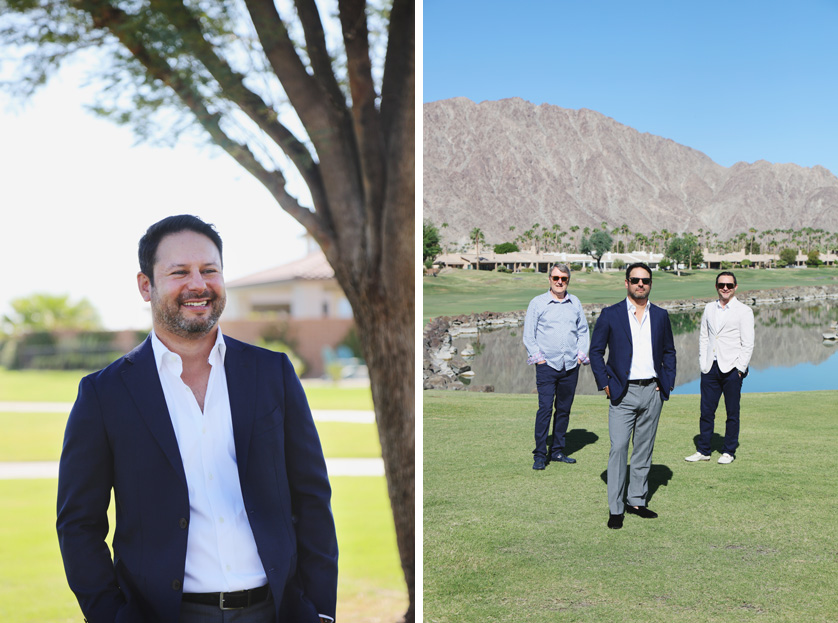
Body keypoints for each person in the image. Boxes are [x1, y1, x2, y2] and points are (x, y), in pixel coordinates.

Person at [57, 215, 338, 623]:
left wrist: (320, 612)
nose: (198, 285)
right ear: (145, 285)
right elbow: (78, 524)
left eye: (209, 270)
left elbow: (312, 499)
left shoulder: (272, 373)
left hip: (276, 611)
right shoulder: (104, 394)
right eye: (179, 272)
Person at [589, 263, 676, 530]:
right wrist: (604, 383)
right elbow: (595, 352)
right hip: (622, 393)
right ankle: (616, 509)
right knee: (618, 448)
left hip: (652, 390)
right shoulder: (611, 314)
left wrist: (666, 383)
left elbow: (669, 353)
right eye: (635, 279)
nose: (641, 284)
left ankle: (636, 501)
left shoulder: (660, 315)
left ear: (651, 284)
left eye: (645, 280)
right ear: (626, 282)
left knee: (643, 449)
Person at [523, 263, 590, 470]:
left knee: (563, 410)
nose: (560, 282)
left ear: (568, 280)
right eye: (556, 278)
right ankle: (540, 454)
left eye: (564, 278)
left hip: (570, 365)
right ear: (549, 279)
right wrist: (539, 359)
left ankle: (558, 450)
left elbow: (583, 331)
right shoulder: (538, 303)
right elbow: (529, 335)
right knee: (544, 409)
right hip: (547, 365)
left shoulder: (575, 302)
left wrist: (580, 357)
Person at [686, 271, 754, 465]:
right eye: (722, 284)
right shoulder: (709, 308)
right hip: (710, 367)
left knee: (732, 413)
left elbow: (748, 343)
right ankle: (703, 450)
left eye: (729, 285)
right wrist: (703, 362)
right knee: (706, 411)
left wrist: (740, 368)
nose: (725, 288)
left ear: (735, 287)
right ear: (716, 286)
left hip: (732, 368)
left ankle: (728, 451)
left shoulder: (744, 311)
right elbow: (704, 336)